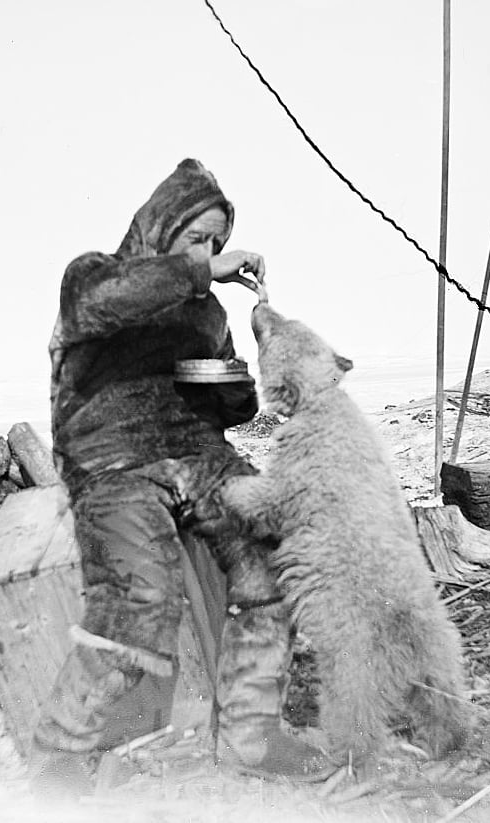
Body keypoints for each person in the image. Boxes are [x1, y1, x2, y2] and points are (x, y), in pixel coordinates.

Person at [31, 159, 336, 792]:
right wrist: (200, 271)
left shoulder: (209, 318)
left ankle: (251, 737)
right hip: (113, 458)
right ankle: (60, 753)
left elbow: (232, 410)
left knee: (271, 554)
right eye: (198, 238)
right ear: (160, 228)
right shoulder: (93, 275)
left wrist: (232, 389)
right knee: (141, 594)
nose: (211, 254)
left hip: (198, 457)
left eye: (218, 244)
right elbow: (99, 306)